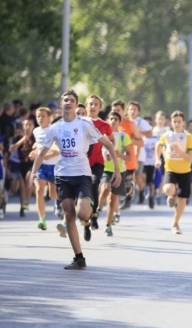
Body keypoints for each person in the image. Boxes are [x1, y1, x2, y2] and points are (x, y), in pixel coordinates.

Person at [29, 89, 122, 270]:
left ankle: (87, 221)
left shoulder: (84, 125)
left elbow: (109, 144)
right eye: (66, 100)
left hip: (81, 174)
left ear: (76, 103)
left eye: (72, 100)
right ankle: (79, 258)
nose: (69, 102)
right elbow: (42, 152)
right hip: (63, 175)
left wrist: (117, 171)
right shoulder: (56, 127)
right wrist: (33, 173)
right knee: (69, 215)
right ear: (62, 103)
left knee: (82, 213)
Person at [155, 110, 192, 234]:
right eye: (174, 121)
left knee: (182, 200)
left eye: (179, 122)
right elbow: (158, 145)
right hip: (170, 169)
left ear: (183, 123)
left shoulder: (188, 137)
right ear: (171, 122)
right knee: (167, 189)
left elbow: (190, 158)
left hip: (185, 171)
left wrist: (179, 152)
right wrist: (158, 159)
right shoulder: (167, 135)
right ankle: (173, 195)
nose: (177, 124)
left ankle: (175, 223)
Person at [84, 94, 114, 240]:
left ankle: (94, 215)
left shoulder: (104, 125)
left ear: (100, 107)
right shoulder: (80, 122)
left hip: (97, 162)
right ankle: (86, 223)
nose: (93, 106)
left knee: (95, 184)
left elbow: (110, 142)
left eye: (96, 104)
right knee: (82, 193)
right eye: (90, 104)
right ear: (86, 105)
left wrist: (107, 151)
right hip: (81, 163)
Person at [98, 111, 132, 236]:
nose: (113, 121)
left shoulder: (124, 137)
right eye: (111, 118)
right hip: (105, 169)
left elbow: (129, 158)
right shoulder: (102, 135)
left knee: (113, 199)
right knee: (105, 189)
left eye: (116, 119)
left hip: (120, 171)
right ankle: (98, 209)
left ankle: (108, 225)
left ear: (119, 122)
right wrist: (105, 156)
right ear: (107, 120)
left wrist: (119, 155)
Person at [30, 107, 60, 231]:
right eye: (38, 116)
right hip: (41, 166)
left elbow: (59, 149)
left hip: (54, 165)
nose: (40, 118)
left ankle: (58, 204)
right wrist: (34, 151)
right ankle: (42, 219)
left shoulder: (54, 130)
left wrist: (48, 155)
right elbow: (39, 144)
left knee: (53, 194)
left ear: (49, 117)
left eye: (43, 116)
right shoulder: (36, 131)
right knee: (39, 190)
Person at [113, 100, 143, 213]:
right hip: (113, 161)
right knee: (115, 184)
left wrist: (127, 139)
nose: (116, 112)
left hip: (128, 159)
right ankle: (115, 209)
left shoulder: (130, 124)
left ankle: (127, 199)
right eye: (114, 110)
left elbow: (141, 143)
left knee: (127, 184)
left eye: (118, 110)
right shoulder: (108, 123)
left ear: (123, 111)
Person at [9, 118, 36, 217]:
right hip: (21, 164)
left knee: (29, 178)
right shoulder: (18, 137)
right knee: (21, 186)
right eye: (26, 125)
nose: (28, 127)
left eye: (30, 124)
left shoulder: (35, 137)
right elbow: (11, 149)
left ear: (33, 126)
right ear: (23, 126)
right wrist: (22, 139)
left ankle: (27, 201)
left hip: (32, 164)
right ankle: (22, 206)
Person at [127, 101, 153, 205]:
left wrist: (137, 131)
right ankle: (127, 198)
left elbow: (150, 134)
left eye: (135, 110)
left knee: (137, 176)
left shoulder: (141, 122)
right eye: (130, 109)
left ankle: (142, 190)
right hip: (126, 152)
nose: (132, 111)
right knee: (128, 176)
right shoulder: (124, 121)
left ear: (138, 112)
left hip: (139, 153)